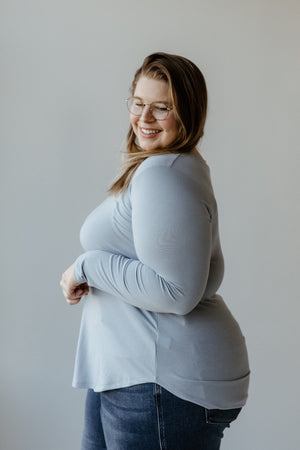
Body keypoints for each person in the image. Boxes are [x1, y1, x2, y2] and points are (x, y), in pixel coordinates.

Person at [60, 52, 250, 450]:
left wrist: (87, 266)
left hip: (158, 381)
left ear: (188, 113)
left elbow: (175, 292)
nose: (144, 118)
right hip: (132, 371)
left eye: (161, 107)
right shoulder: (164, 167)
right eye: (139, 103)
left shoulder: (163, 176)